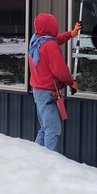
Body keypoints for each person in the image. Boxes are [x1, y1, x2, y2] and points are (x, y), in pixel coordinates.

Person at [28, 13, 82, 151]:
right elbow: (60, 71)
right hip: (47, 93)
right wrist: (71, 82)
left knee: (45, 128)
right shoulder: (49, 46)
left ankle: (36, 156)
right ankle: (49, 163)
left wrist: (71, 34)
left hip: (39, 91)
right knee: (52, 129)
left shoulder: (36, 40)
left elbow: (55, 39)